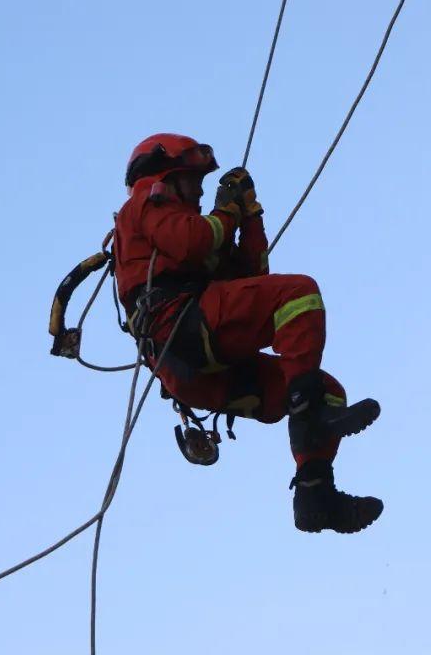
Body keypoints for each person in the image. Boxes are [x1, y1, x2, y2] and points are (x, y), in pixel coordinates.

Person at [112, 133, 383, 533]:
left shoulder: (181, 228)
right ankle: (309, 422)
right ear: (168, 172)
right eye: (196, 182)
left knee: (328, 392)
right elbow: (192, 241)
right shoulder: (149, 201)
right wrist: (228, 213)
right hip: (182, 328)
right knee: (300, 293)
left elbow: (253, 277)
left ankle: (315, 497)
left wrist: (250, 215)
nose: (201, 194)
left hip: (197, 363)